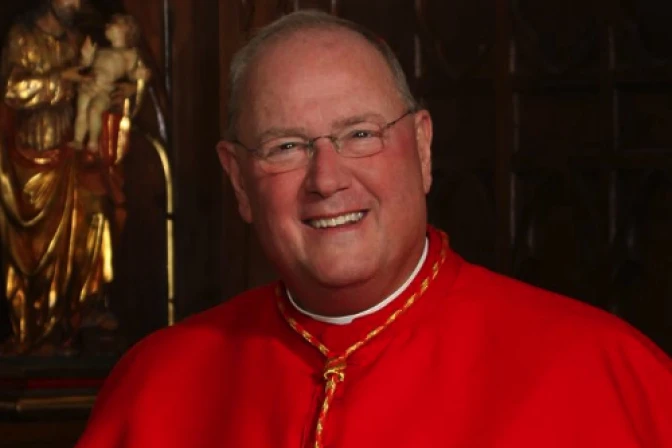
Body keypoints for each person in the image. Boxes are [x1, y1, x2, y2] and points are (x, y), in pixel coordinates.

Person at [76, 11, 672, 448]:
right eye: (286, 147)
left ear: (422, 147)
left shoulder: (602, 370)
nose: (327, 179)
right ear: (238, 180)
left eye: (360, 134)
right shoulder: (157, 384)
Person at [0, 0, 127, 354]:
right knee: (33, 251)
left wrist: (114, 92)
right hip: (29, 161)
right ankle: (34, 325)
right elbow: (12, 89)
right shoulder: (22, 37)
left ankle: (83, 310)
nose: (76, 4)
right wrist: (62, 80)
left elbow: (93, 85)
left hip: (72, 154)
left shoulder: (76, 39)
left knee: (95, 217)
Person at [73, 14, 149, 154]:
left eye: (114, 23)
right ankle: (78, 140)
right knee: (81, 112)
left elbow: (131, 73)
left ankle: (93, 142)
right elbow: (85, 66)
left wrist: (139, 74)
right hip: (90, 86)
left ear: (127, 29)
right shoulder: (101, 50)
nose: (107, 25)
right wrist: (85, 58)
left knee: (94, 110)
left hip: (106, 90)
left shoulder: (129, 54)